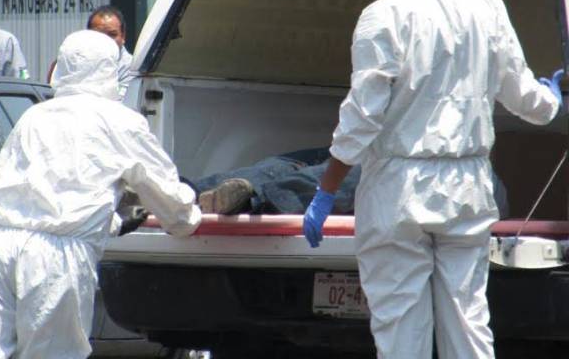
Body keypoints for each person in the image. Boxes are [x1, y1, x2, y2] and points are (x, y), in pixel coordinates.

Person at [302, 0, 563, 359]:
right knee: (468, 320)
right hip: (467, 188)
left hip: (398, 191)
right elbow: (523, 96)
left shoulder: (384, 16)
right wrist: (553, 99)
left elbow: (363, 117)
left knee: (401, 328)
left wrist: (326, 191)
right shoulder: (486, 5)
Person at [0, 30, 201, 358]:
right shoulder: (119, 121)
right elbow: (169, 200)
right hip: (53, 262)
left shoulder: (34, 116)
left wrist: (114, 223)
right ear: (109, 69)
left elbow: (40, 194)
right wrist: (189, 214)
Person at [195, 148, 509, 219]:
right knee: (289, 163)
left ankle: (256, 198)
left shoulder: (480, 179)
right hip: (387, 156)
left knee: (335, 176)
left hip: (427, 177)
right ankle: (190, 191)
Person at [47, 5, 134, 98]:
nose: (105, 40)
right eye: (98, 34)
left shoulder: (133, 69)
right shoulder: (74, 60)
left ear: (123, 36)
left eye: (112, 34)